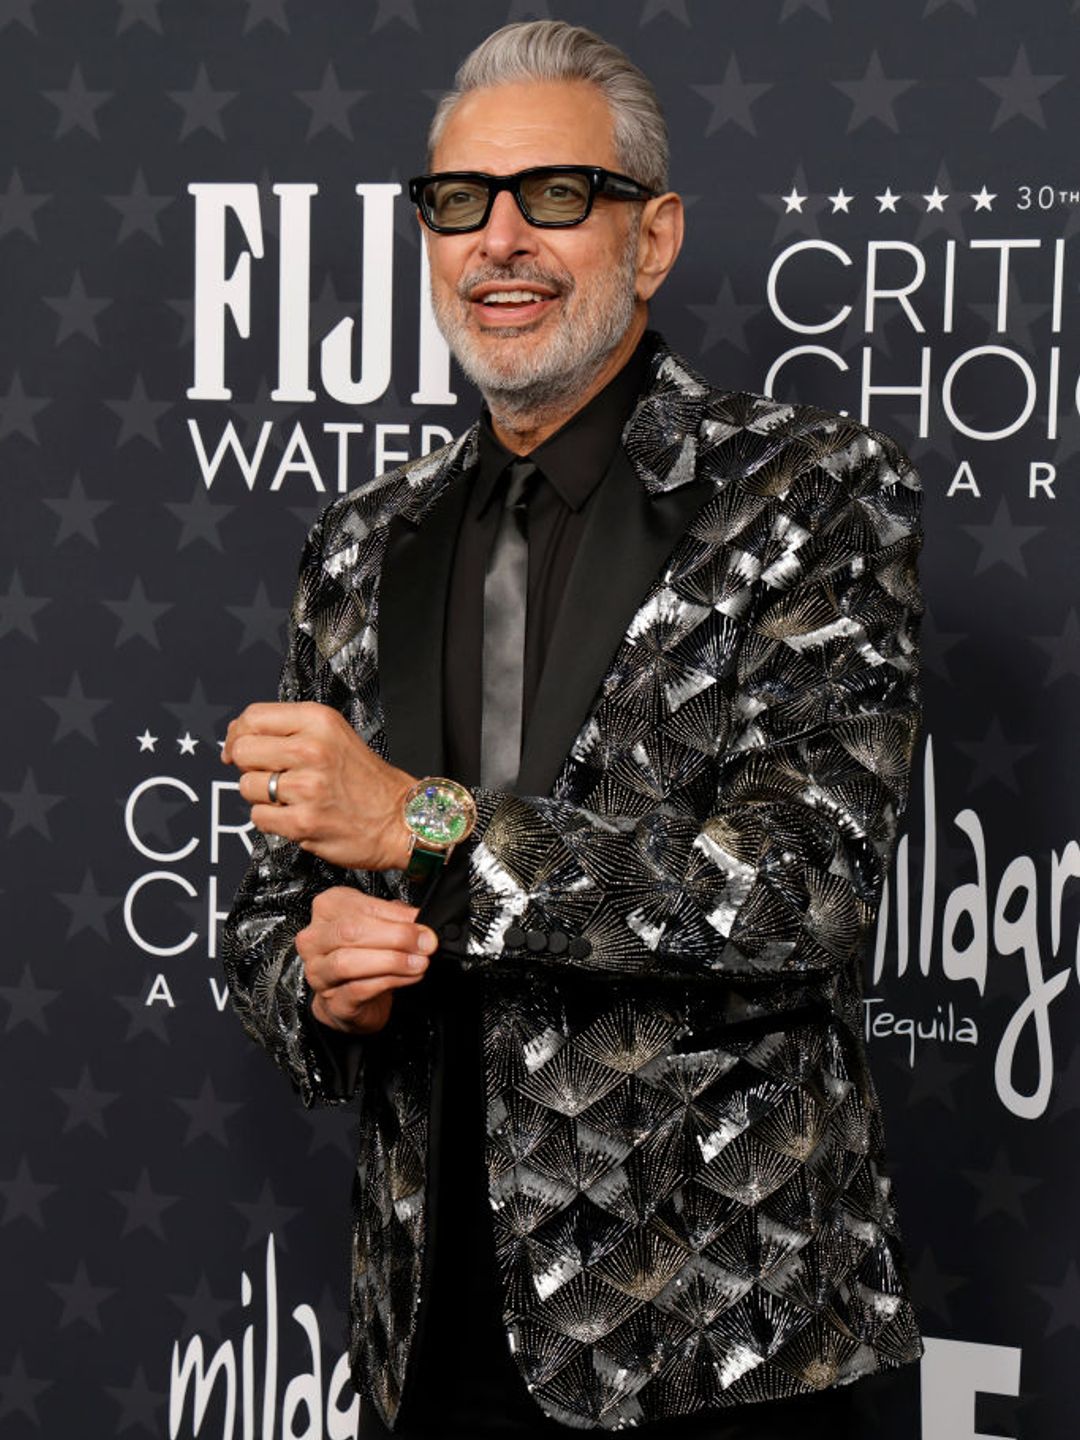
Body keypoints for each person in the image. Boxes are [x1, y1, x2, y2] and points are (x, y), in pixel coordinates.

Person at [221, 20, 923, 1440]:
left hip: (719, 1337)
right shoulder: (359, 545)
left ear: (650, 237)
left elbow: (806, 885)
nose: (500, 242)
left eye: (555, 196)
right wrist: (321, 983)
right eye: (459, 202)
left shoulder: (809, 494)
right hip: (423, 1335)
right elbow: (268, 919)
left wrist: (422, 827)